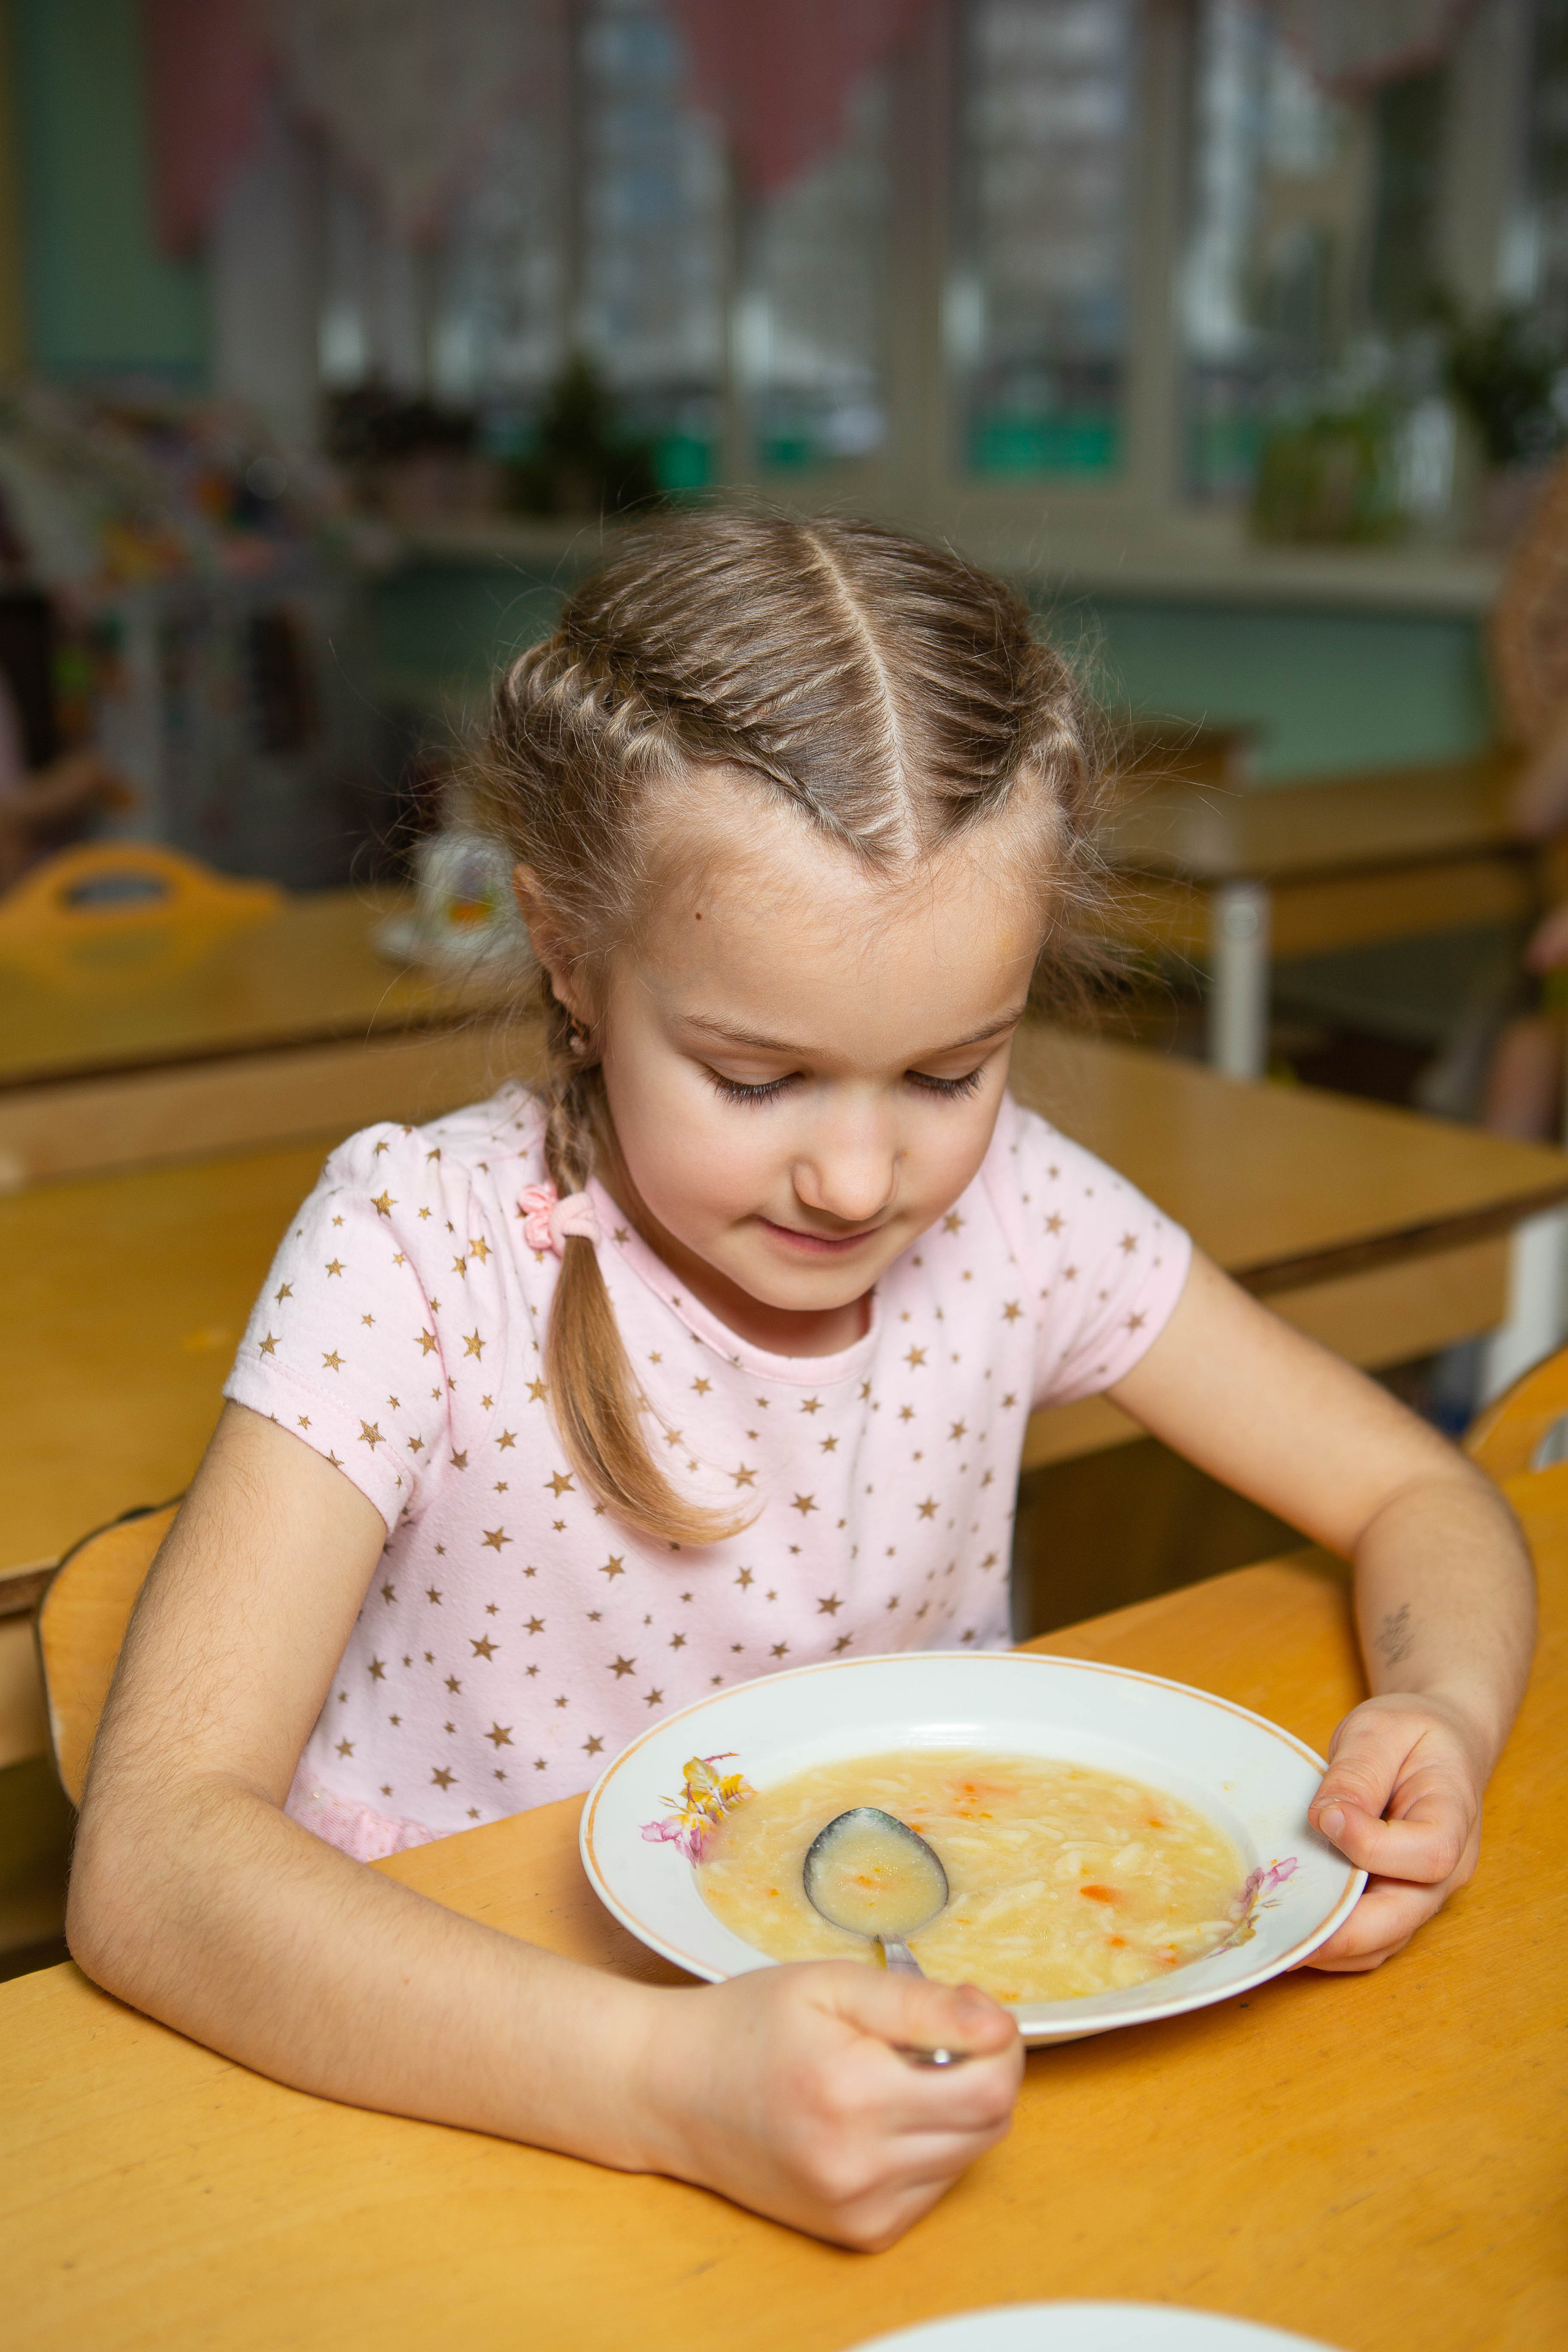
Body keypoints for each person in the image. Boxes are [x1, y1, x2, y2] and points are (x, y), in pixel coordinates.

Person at [67, 515, 1534, 2252]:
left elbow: (1420, 1489)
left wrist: (1440, 1715)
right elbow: (156, 1864)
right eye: (757, 1078)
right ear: (565, 950)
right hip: (472, 2073)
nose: (858, 1179)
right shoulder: (420, 1251)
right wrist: (661, 2082)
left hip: (926, 2058)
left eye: (947, 1069)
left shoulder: (1023, 1210)